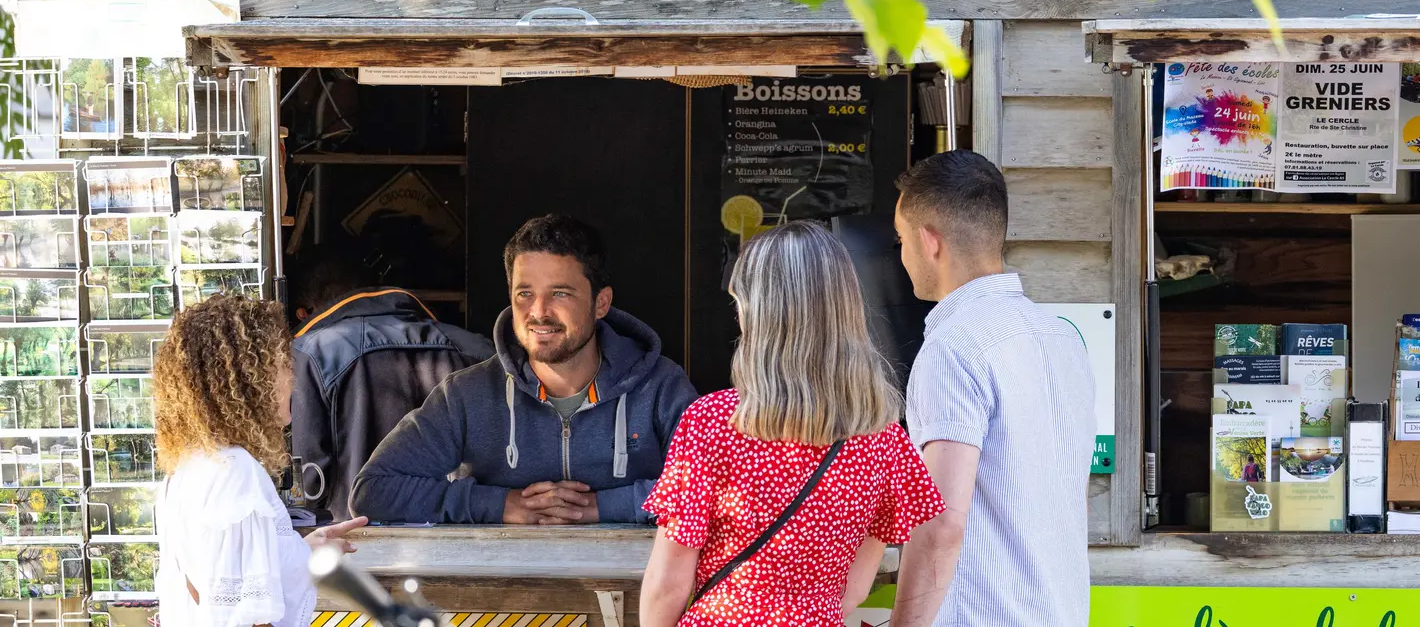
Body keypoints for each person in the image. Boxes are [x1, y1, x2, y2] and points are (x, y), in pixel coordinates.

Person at [637, 221, 944, 626]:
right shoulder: (883, 440)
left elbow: (668, 583)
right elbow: (852, 590)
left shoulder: (713, 423)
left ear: (757, 312)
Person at [352, 214, 698, 524]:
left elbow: (718, 492)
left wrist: (601, 507)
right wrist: (500, 504)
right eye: (524, 294)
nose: (539, 312)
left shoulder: (660, 386)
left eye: (560, 293)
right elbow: (373, 491)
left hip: (635, 591)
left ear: (601, 303)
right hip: (502, 594)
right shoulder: (467, 394)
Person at [888, 151, 1096, 627]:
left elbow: (940, 521)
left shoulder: (952, 347)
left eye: (901, 240)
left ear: (929, 241)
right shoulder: (1063, 339)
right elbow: (1073, 497)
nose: (901, 255)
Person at [155, 295, 366, 627]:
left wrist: (304, 553)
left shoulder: (188, 467)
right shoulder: (235, 472)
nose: (291, 380)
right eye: (282, 364)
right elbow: (250, 615)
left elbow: (231, 584)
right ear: (249, 378)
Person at [290, 249, 494, 523]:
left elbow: (309, 481)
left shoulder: (310, 354)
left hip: (354, 542)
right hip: (463, 537)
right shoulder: (477, 349)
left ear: (304, 313)